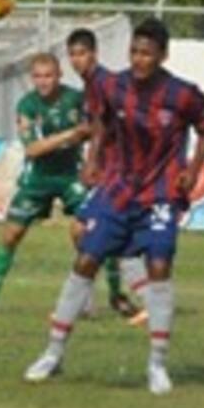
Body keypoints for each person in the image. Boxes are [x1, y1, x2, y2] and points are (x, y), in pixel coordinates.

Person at [24, 18, 204, 395]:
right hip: (119, 187)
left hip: (161, 191)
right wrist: (94, 158)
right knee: (85, 259)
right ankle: (53, 353)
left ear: (163, 55)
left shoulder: (183, 94)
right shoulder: (114, 85)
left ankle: (157, 364)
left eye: (147, 53)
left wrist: (193, 169)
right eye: (134, 52)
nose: (139, 59)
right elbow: (100, 120)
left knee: (159, 266)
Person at [0, 53, 90, 314]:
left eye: (48, 75)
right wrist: (71, 134)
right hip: (38, 177)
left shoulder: (76, 99)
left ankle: (106, 296)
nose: (43, 81)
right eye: (37, 76)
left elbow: (94, 128)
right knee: (11, 235)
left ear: (59, 75)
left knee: (87, 233)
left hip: (72, 174)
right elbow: (33, 150)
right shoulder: (28, 105)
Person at [65, 28, 145, 325]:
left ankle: (142, 298)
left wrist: (91, 161)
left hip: (116, 171)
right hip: (115, 168)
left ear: (94, 54)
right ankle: (102, 300)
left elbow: (101, 126)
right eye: (72, 55)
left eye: (82, 53)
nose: (77, 60)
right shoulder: (93, 84)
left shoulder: (101, 82)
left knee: (90, 232)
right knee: (87, 232)